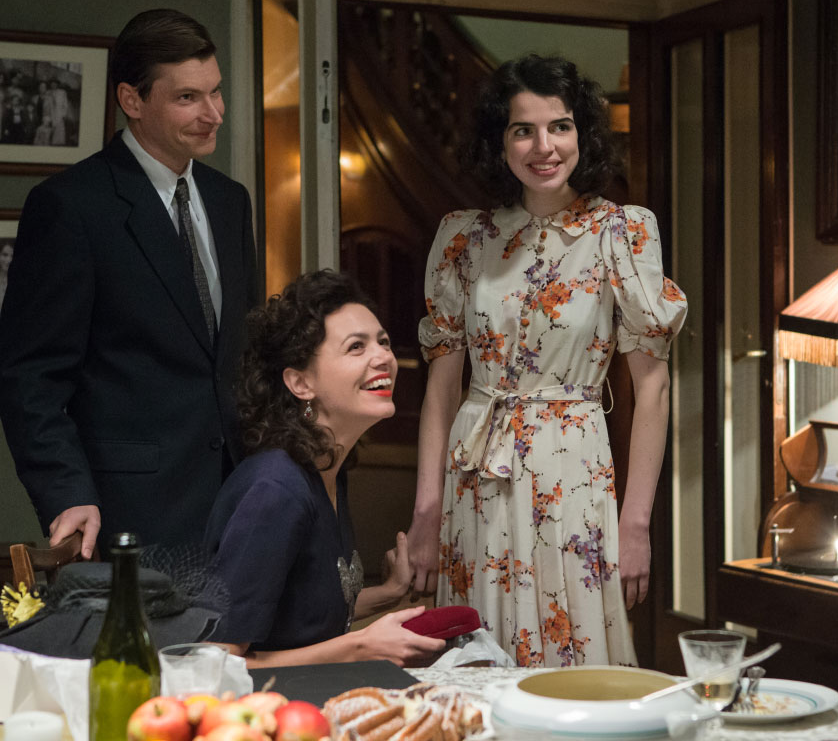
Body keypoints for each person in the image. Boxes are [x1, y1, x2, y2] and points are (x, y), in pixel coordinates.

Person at [406, 54, 688, 667]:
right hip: (476, 477)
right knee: (479, 653)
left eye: (560, 126)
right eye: (523, 130)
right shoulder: (464, 238)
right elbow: (441, 391)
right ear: (499, 141)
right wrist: (426, 512)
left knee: (573, 657)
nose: (544, 147)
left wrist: (636, 523)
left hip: (572, 469)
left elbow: (654, 388)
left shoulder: (622, 233)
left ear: (582, 133)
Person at [0, 9, 257, 560]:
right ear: (132, 100)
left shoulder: (230, 201)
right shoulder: (70, 206)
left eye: (216, 91)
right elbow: (30, 376)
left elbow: (241, 353)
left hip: (243, 502)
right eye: (188, 97)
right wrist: (65, 492)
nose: (213, 113)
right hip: (133, 512)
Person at [204, 269, 445, 668]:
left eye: (383, 342)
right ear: (300, 383)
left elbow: (301, 614)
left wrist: (387, 593)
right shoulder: (276, 490)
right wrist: (360, 647)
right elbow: (216, 662)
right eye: (356, 347)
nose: (383, 357)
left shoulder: (329, 470)